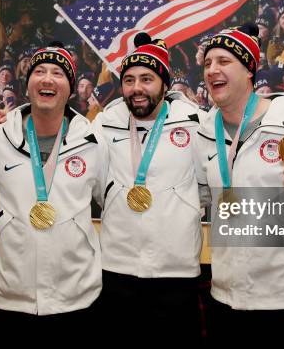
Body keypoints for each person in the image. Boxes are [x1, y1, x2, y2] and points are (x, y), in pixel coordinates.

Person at [194, 24, 284, 345]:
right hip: (225, 296)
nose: (212, 70)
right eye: (207, 63)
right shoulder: (204, 132)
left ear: (249, 69)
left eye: (223, 61)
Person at [0, 43, 106, 341]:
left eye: (58, 73)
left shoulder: (94, 143)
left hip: (77, 298)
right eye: (39, 71)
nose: (48, 79)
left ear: (71, 89)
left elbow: (109, 202)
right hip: (10, 299)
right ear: (28, 85)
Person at [92, 32, 205, 345]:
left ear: (164, 84)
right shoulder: (105, 122)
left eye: (147, 79)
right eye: (129, 80)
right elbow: (94, 182)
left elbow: (209, 184)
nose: (137, 88)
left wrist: (181, 206)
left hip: (176, 272)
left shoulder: (195, 121)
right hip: (117, 268)